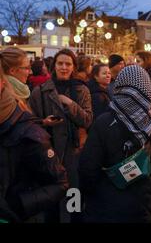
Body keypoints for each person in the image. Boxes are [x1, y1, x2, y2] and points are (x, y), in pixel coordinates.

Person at [79, 65, 151, 223]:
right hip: (145, 204)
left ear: (119, 87)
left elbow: (88, 168)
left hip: (106, 205)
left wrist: (93, 194)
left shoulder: (104, 122)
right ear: (147, 88)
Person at [0, 60, 68, 223]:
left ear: (3, 83)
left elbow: (60, 184)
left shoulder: (29, 133)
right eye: (25, 67)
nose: (29, 72)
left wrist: (16, 205)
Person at [29, 49, 93, 222]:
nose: (64, 67)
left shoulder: (81, 90)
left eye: (68, 64)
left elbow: (87, 120)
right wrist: (44, 122)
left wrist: (70, 103)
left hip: (74, 153)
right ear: (53, 66)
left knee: (75, 200)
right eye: (60, 63)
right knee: (51, 202)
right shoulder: (40, 91)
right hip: (49, 153)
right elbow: (30, 122)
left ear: (73, 67)